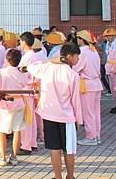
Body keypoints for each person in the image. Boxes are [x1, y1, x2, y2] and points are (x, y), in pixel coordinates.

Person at [27, 43, 83, 179]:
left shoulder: (47, 67)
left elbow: (30, 67)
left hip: (49, 113)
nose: (78, 60)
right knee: (69, 149)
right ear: (69, 56)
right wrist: (79, 119)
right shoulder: (73, 74)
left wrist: (50, 60)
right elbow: (76, 100)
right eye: (77, 57)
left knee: (54, 148)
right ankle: (70, 176)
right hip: (66, 116)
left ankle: (57, 176)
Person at [18, 32, 48, 154]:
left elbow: (22, 75)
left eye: (20, 42)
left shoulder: (27, 57)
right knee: (32, 117)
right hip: (33, 88)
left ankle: (26, 145)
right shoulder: (36, 55)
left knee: (27, 118)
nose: (20, 44)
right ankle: (32, 143)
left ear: (24, 42)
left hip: (27, 88)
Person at [74, 30, 102, 145]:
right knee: (95, 112)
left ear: (82, 39)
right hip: (96, 84)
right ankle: (96, 135)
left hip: (87, 85)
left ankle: (91, 136)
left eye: (78, 38)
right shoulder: (93, 50)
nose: (77, 40)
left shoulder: (82, 52)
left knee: (88, 112)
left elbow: (76, 68)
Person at [105, 27, 116, 113]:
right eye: (109, 36)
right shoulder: (108, 43)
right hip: (110, 69)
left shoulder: (115, 44)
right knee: (113, 89)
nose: (110, 37)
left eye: (112, 35)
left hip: (114, 69)